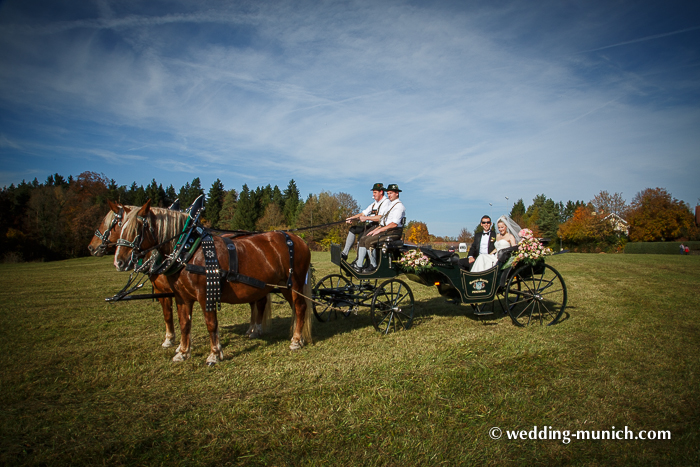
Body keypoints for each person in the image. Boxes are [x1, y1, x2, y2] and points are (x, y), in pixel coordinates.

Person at [353, 184, 406, 273]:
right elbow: (383, 220)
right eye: (388, 193)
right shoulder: (390, 205)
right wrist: (375, 230)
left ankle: (373, 265)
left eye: (391, 193)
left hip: (393, 232)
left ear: (397, 193)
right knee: (363, 238)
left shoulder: (399, 206)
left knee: (369, 241)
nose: (389, 195)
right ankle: (359, 265)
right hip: (385, 229)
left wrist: (380, 230)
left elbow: (394, 224)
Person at [341, 183, 389, 260]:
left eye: (375, 192)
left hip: (379, 226)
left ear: (381, 192)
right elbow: (363, 213)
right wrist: (352, 218)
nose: (373, 194)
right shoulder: (374, 204)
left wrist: (366, 218)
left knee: (361, 237)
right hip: (371, 225)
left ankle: (358, 260)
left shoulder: (386, 203)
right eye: (373, 192)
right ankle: (344, 253)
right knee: (353, 229)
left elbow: (381, 218)